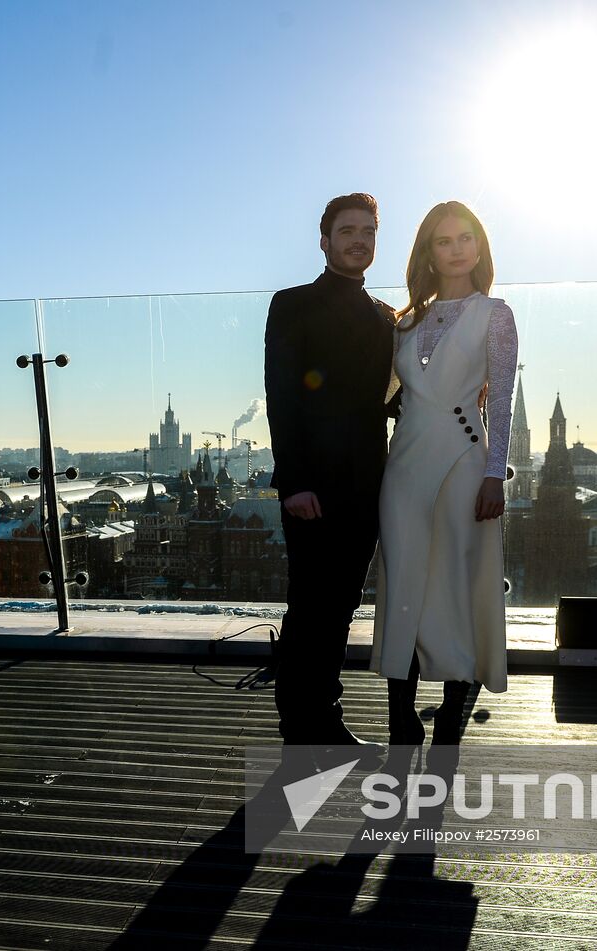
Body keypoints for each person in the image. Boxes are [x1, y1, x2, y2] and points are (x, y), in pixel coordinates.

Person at [371, 200, 517, 747]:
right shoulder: (405, 321)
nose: (456, 249)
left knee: (455, 581)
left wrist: (494, 474)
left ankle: (452, 712)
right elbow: (383, 394)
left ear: (480, 247)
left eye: (465, 238)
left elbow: (500, 401)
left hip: (464, 462)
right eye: (443, 240)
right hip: (403, 466)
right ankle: (400, 715)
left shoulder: (495, 314)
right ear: (428, 253)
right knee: (402, 578)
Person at [264, 193, 397, 747]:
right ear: (324, 241)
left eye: (368, 231)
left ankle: (326, 718)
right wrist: (294, 482)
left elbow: (394, 400)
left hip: (367, 485)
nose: (358, 240)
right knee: (308, 609)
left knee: (341, 607)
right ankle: (299, 730)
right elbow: (281, 396)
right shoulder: (292, 303)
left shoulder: (387, 317)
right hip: (311, 487)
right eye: (347, 231)